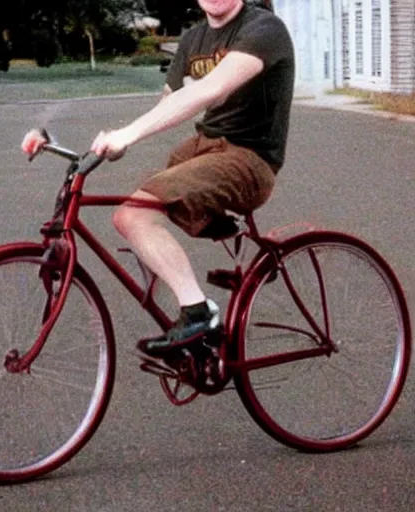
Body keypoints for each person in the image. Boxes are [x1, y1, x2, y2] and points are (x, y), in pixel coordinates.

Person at [22, 0, 295, 358]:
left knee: (134, 215)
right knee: (129, 214)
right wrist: (114, 144)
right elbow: (168, 105)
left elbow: (206, 90)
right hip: (202, 149)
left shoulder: (263, 29)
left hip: (249, 158)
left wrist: (129, 134)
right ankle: (209, 287)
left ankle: (200, 315)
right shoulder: (193, 40)